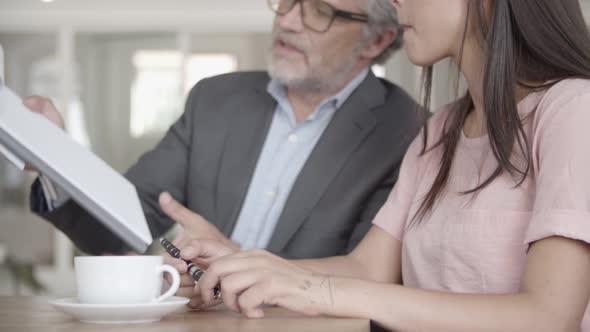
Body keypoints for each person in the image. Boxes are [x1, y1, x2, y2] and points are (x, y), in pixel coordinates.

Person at [170, 0, 590, 330]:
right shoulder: (440, 130)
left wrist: (318, 291)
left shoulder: (573, 111)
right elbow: (368, 268)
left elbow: (548, 317)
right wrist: (246, 265)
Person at [24, 0, 422, 259]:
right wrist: (57, 157)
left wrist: (236, 264)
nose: (286, 20)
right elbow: (125, 219)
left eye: (318, 10)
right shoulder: (215, 99)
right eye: (286, 1)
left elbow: (367, 287)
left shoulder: (409, 135)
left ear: (377, 40)